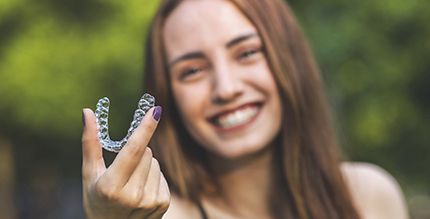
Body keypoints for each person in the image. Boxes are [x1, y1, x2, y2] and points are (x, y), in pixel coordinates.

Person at [81, 0, 409, 218]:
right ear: (168, 95)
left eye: (247, 53)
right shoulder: (160, 215)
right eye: (192, 71)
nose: (226, 88)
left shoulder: (369, 197)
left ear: (290, 58)